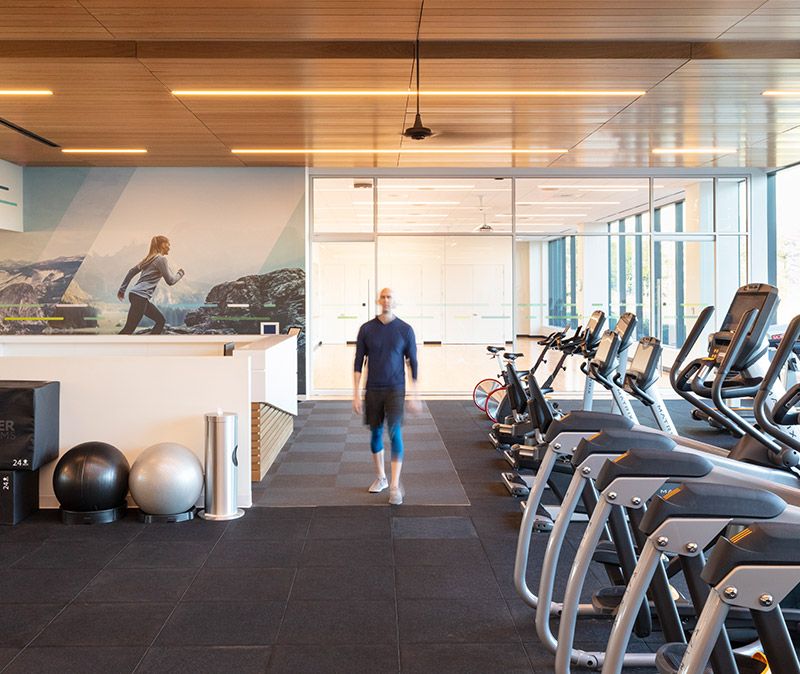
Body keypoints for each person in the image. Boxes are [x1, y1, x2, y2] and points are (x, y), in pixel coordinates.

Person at [353, 287, 419, 505]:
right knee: (376, 434)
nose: (386, 300)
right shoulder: (366, 329)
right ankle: (381, 477)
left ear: (395, 301)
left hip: (395, 389)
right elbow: (358, 362)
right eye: (383, 296)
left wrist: (415, 394)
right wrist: (355, 394)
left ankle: (394, 486)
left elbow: (412, 363)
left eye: (389, 297)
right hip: (373, 389)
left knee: (395, 432)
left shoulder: (405, 330)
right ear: (378, 300)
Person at [118, 235, 184, 335]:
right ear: (162, 245)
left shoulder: (149, 258)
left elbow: (131, 271)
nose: (169, 247)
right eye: (168, 244)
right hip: (140, 297)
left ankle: (150, 342)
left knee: (160, 320)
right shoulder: (161, 259)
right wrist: (180, 274)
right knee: (128, 330)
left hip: (137, 296)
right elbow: (170, 281)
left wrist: (122, 290)